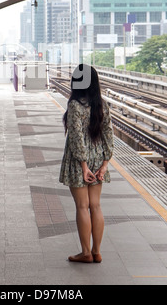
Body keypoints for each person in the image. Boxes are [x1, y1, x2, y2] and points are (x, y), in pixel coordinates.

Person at [59, 64, 114, 263]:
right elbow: (109, 134)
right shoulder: (102, 104)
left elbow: (76, 137)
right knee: (96, 206)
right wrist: (105, 163)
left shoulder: (75, 105)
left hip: (80, 161)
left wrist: (83, 166)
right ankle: (97, 251)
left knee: (82, 207)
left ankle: (86, 253)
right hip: (98, 159)